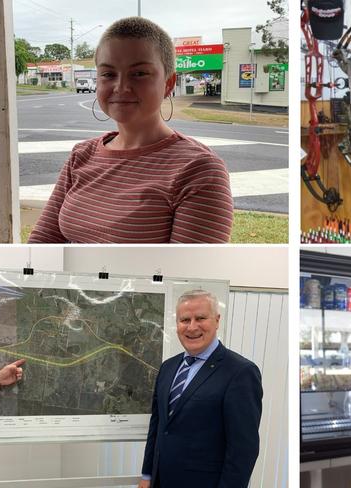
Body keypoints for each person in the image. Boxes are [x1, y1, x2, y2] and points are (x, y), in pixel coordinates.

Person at [28, 17, 233, 243]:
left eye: (139, 73)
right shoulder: (81, 155)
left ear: (168, 83)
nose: (121, 87)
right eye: (108, 74)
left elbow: (190, 275)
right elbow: (43, 243)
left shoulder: (199, 169)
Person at [139, 290, 262, 488]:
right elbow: (158, 426)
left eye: (201, 318)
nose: (192, 327)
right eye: (185, 320)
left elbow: (243, 450)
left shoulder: (240, 372)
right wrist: (146, 476)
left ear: (217, 320)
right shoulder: (168, 367)